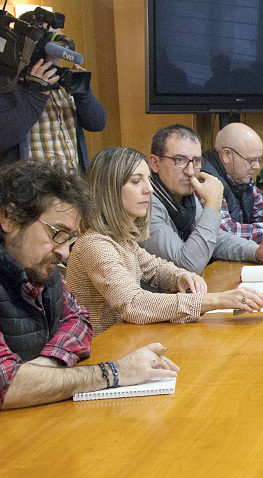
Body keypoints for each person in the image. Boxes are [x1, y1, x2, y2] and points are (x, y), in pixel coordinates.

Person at [0, 160, 177, 409]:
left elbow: (79, 318)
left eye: (69, 238)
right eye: (56, 233)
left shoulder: (43, 269)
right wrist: (113, 372)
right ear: (9, 218)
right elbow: (6, 385)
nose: (64, 252)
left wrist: (47, 365)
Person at [67, 147, 263, 335]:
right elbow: (133, 304)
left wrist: (180, 276)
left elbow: (154, 269)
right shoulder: (94, 244)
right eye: (136, 181)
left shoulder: (121, 240)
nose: (149, 189)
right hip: (102, 350)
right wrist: (216, 300)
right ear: (108, 190)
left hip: (126, 340)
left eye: (148, 180)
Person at [140, 124, 263, 274]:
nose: (190, 171)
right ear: (155, 163)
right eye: (179, 160)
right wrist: (212, 205)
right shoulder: (146, 203)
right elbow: (187, 265)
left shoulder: (186, 196)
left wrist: (256, 252)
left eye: (196, 161)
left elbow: (215, 239)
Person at [0, 10, 106, 172]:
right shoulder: (8, 85)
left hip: (71, 184)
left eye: (60, 38)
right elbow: (4, 137)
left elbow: (98, 123)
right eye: (50, 39)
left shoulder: (63, 81)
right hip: (32, 185)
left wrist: (83, 92)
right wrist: (36, 96)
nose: (59, 47)